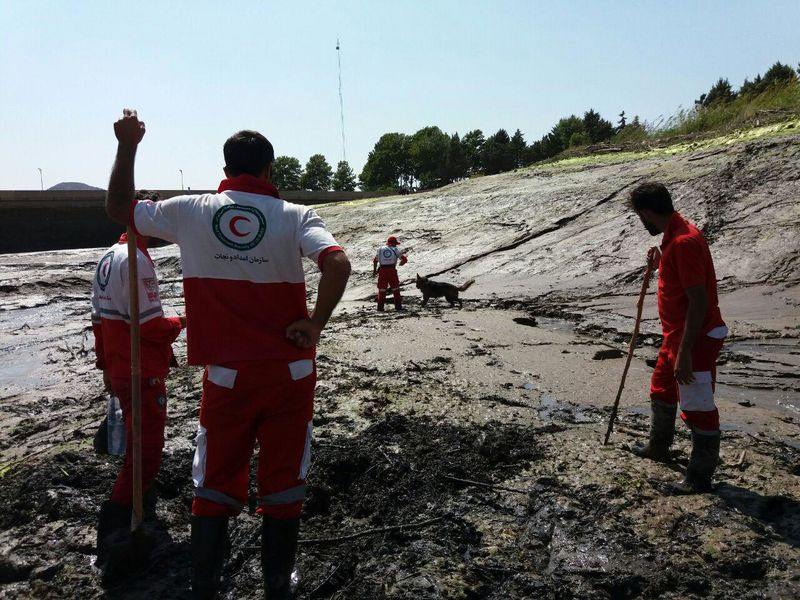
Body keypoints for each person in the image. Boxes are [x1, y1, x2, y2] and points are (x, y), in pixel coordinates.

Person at [105, 109, 351, 599]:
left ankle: (205, 586)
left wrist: (128, 144)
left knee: (214, 481)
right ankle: (277, 584)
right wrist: (315, 324)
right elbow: (338, 264)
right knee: (284, 480)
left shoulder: (193, 210)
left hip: (227, 377)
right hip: (291, 373)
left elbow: (119, 209)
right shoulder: (296, 215)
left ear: (226, 167)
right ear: (269, 170)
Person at [90, 190, 185, 574]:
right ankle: (118, 520)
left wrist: (105, 368)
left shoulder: (106, 258)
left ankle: (141, 501)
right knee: (145, 448)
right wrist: (182, 322)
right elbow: (150, 327)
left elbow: (99, 321)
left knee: (136, 442)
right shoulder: (137, 261)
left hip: (118, 365)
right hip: (139, 368)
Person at [628, 182, 727, 494]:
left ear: (646, 213)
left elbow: (698, 302)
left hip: (695, 337)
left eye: (638, 216)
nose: (640, 222)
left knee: (697, 405)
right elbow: (683, 282)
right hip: (677, 335)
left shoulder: (683, 241)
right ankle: (658, 446)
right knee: (662, 387)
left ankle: (699, 477)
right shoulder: (674, 237)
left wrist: (684, 352)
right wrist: (661, 264)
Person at [372, 235, 408, 311]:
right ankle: (398, 307)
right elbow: (404, 259)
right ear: (394, 243)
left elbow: (375, 260)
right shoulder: (396, 250)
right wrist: (401, 263)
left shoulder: (380, 249)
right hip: (392, 270)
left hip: (382, 271)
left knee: (382, 290)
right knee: (396, 289)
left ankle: (380, 308)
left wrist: (374, 271)